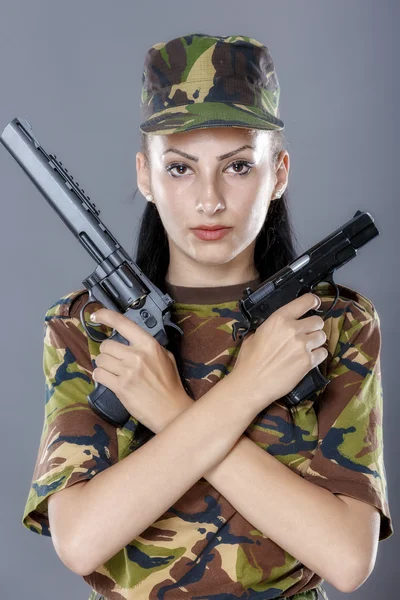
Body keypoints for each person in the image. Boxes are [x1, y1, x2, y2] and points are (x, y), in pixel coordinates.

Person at [21, 33, 393, 600]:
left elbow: (346, 558)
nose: (210, 200)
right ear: (145, 175)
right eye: (180, 169)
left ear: (280, 173)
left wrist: (171, 411)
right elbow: (79, 541)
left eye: (239, 166)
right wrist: (248, 389)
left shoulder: (329, 323)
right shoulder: (91, 327)